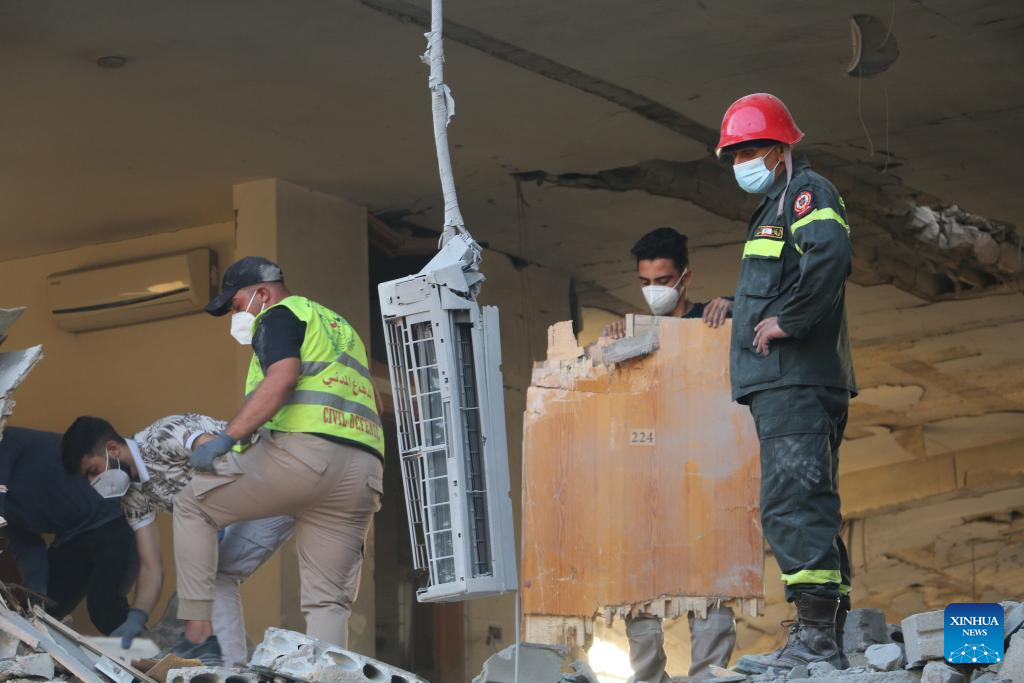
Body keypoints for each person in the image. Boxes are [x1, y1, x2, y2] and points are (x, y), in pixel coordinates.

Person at [172, 256, 384, 653]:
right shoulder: (338, 327)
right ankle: (326, 680)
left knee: (191, 504)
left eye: (236, 306)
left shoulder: (279, 315)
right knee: (327, 603)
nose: (236, 317)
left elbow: (282, 379)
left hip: (303, 458)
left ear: (262, 293)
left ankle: (198, 627)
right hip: (362, 475)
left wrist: (226, 439)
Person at [713, 93, 857, 675]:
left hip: (795, 381)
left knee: (791, 505)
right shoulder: (773, 206)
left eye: (750, 149)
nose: (741, 160)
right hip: (783, 385)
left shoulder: (806, 192)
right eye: (734, 152)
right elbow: (786, 275)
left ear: (779, 148)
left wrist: (787, 320)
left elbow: (830, 256)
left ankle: (817, 637)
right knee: (805, 503)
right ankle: (822, 631)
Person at [603, 228, 737, 681]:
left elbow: (774, 322)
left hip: (709, 473)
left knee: (713, 581)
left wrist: (739, 307)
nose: (654, 291)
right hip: (649, 477)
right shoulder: (636, 332)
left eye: (663, 279)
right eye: (645, 282)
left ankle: (707, 676)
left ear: (685, 277)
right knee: (640, 586)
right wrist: (612, 346)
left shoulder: (712, 321)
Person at [61, 414, 295, 666]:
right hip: (262, 507)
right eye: (87, 478)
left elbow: (219, 458)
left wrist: (211, 520)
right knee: (216, 576)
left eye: (94, 471)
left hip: (276, 477)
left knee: (207, 574)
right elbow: (151, 567)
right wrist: (136, 618)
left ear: (113, 449)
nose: (93, 482)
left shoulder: (162, 436)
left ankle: (222, 658)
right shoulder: (132, 497)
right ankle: (229, 668)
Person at [0, 427, 142, 639]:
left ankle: (163, 662)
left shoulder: (7, 439)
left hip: (115, 520)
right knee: (42, 616)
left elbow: (8, 453)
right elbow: (27, 546)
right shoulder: (6, 512)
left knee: (106, 608)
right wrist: (37, 595)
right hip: (70, 539)